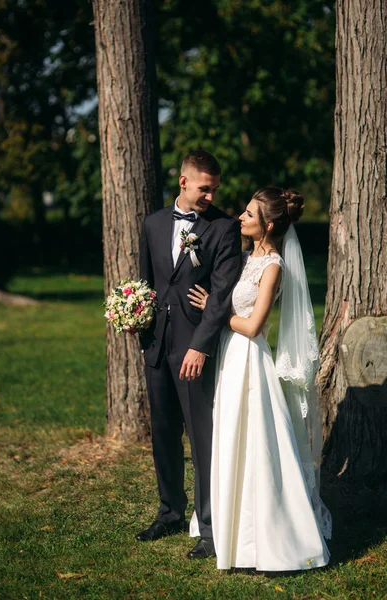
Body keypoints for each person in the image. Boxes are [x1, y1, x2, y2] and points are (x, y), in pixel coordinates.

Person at [189, 187, 332, 570]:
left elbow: (253, 326)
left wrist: (215, 313)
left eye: (249, 214)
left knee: (255, 443)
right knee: (230, 436)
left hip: (250, 360)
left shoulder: (273, 268)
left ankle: (268, 535)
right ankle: (230, 527)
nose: (240, 217)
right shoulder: (243, 259)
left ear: (268, 225)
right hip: (229, 358)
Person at [137, 150, 242, 559]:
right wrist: (137, 319)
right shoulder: (153, 223)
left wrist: (200, 345)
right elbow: (148, 281)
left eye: (214, 189)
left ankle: (211, 528)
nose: (210, 195)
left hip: (194, 348)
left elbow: (221, 296)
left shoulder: (223, 229)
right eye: (204, 188)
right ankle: (169, 513)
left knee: (202, 439)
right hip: (157, 346)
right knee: (163, 434)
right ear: (183, 182)